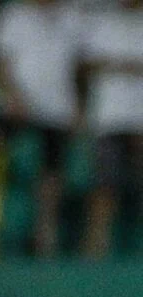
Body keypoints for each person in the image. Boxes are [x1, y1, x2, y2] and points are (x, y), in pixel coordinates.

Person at [0, 0, 78, 258]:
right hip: (16, 106)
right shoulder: (13, 15)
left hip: (57, 111)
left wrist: (79, 106)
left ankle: (45, 232)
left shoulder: (73, 16)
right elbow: (0, 63)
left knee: (52, 169)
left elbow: (82, 66)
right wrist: (15, 97)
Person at [82, 0, 143, 260]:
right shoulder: (102, 22)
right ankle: (96, 247)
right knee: (106, 186)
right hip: (109, 118)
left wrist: (116, 65)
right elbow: (85, 64)